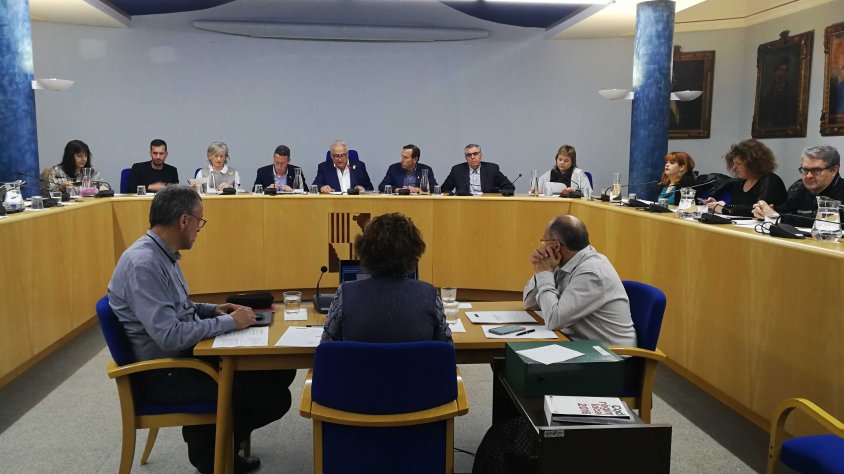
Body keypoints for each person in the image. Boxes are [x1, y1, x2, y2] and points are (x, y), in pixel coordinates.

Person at [107, 185, 295, 474]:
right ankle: (210, 452)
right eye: (199, 221)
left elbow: (180, 306)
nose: (199, 229)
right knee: (272, 397)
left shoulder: (160, 254)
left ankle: (216, 442)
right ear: (184, 221)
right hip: (166, 372)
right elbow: (169, 336)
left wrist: (214, 310)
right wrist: (231, 322)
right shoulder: (144, 264)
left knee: (280, 369)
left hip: (185, 357)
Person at [321, 212, 452, 344]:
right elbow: (446, 349)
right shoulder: (429, 295)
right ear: (413, 254)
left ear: (365, 252)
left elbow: (326, 348)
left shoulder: (345, 294)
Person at [522, 214, 636, 347]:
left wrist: (544, 273)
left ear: (556, 245)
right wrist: (542, 271)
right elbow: (530, 304)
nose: (541, 247)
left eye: (543, 242)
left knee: (524, 353)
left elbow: (553, 320)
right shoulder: (563, 262)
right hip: (579, 344)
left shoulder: (592, 273)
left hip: (611, 354)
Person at [753, 145, 844, 226]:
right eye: (805, 170)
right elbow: (785, 210)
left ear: (834, 170)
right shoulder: (798, 187)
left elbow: (822, 220)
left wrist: (776, 216)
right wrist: (763, 210)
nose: (808, 176)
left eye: (816, 170)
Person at [704, 139, 787, 216]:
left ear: (753, 164)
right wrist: (715, 205)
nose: (734, 168)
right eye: (733, 163)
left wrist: (724, 208)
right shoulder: (740, 183)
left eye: (738, 164)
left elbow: (759, 209)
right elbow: (737, 208)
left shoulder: (771, 181)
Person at [440, 144, 514, 195]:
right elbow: (444, 189)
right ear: (465, 158)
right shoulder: (457, 170)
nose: (472, 157)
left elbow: (508, 186)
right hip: (464, 205)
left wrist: (505, 192)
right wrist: (455, 195)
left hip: (487, 204)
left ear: (480, 156)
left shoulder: (492, 169)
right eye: (469, 155)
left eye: (475, 154)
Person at [40, 140, 104, 193]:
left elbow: (104, 186)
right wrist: (61, 188)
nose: (84, 159)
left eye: (85, 155)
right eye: (79, 156)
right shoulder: (54, 172)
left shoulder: (91, 173)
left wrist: (102, 188)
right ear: (69, 157)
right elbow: (45, 193)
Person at [758, 58, 797, 128]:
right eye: (777, 70)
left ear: (787, 74)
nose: (779, 74)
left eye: (782, 70)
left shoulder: (792, 93)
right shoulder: (767, 93)